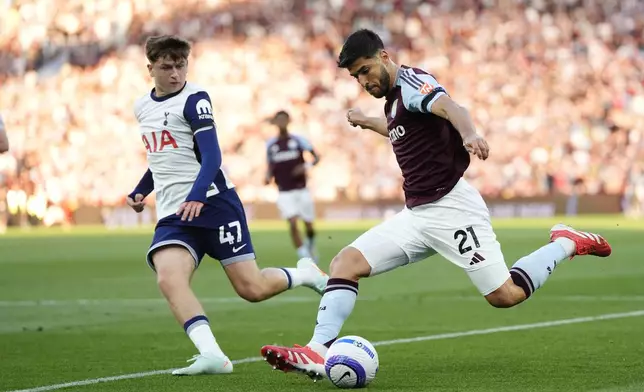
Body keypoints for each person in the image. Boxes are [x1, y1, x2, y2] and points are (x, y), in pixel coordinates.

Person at [259, 29, 612, 380]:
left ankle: (565, 242)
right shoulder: (394, 102)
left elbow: (449, 107)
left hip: (452, 208)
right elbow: (404, 125)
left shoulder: (413, 83)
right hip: (416, 215)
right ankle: (317, 351)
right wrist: (369, 123)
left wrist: (469, 133)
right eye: (356, 77)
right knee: (345, 262)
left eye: (365, 70)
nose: (362, 81)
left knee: (505, 294)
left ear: (383, 56)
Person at [127, 35, 328, 376]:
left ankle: (305, 273)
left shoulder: (195, 100)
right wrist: (141, 190)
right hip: (175, 214)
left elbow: (211, 156)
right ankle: (213, 356)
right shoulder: (142, 107)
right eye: (166, 67)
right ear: (150, 69)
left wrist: (197, 195)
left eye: (181, 65)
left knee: (252, 288)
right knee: (169, 279)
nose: (175, 74)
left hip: (215, 203)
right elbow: (162, 159)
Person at [265, 110, 320, 262]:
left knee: (308, 224)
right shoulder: (271, 145)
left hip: (301, 189)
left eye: (284, 120)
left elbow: (316, 158)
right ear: (275, 123)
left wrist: (306, 166)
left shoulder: (299, 140)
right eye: (279, 120)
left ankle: (310, 244)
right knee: (293, 223)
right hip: (284, 191)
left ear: (289, 121)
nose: (281, 123)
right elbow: (270, 165)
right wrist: (268, 176)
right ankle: (304, 256)